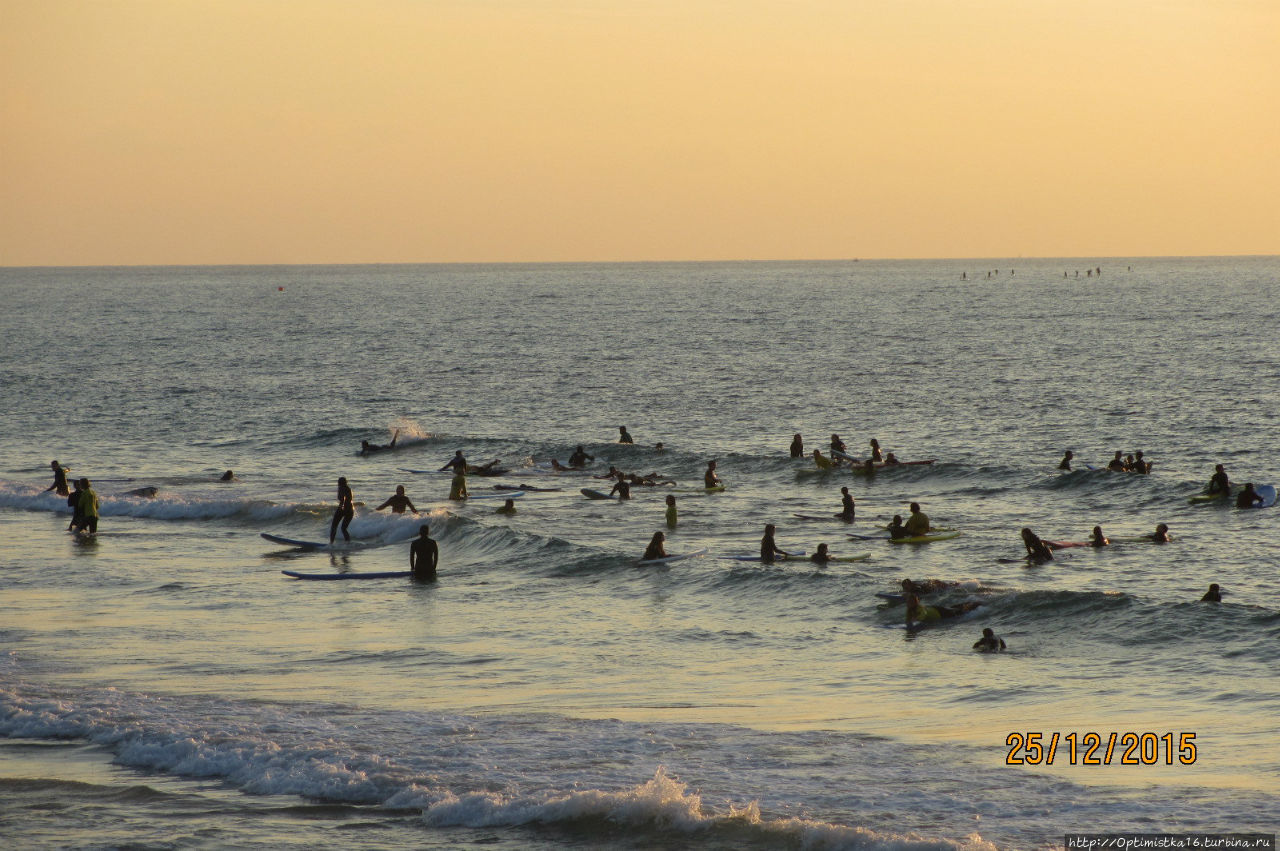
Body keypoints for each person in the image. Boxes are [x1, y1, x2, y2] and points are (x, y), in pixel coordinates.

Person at [905, 593, 980, 626]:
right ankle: (971, 602)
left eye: (910, 602)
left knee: (961, 611)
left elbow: (924, 614)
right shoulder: (910, 610)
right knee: (954, 608)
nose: (908, 603)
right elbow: (908, 619)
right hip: (935, 609)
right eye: (907, 601)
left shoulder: (920, 608)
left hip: (941, 612)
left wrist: (917, 619)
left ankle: (976, 603)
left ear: (915, 602)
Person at [330, 477, 354, 544]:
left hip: (343, 509)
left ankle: (331, 543)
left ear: (340, 483)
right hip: (350, 510)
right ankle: (348, 543)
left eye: (338, 482)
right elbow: (349, 500)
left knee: (334, 526)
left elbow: (343, 498)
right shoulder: (349, 489)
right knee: (343, 528)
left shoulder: (341, 488)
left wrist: (342, 506)